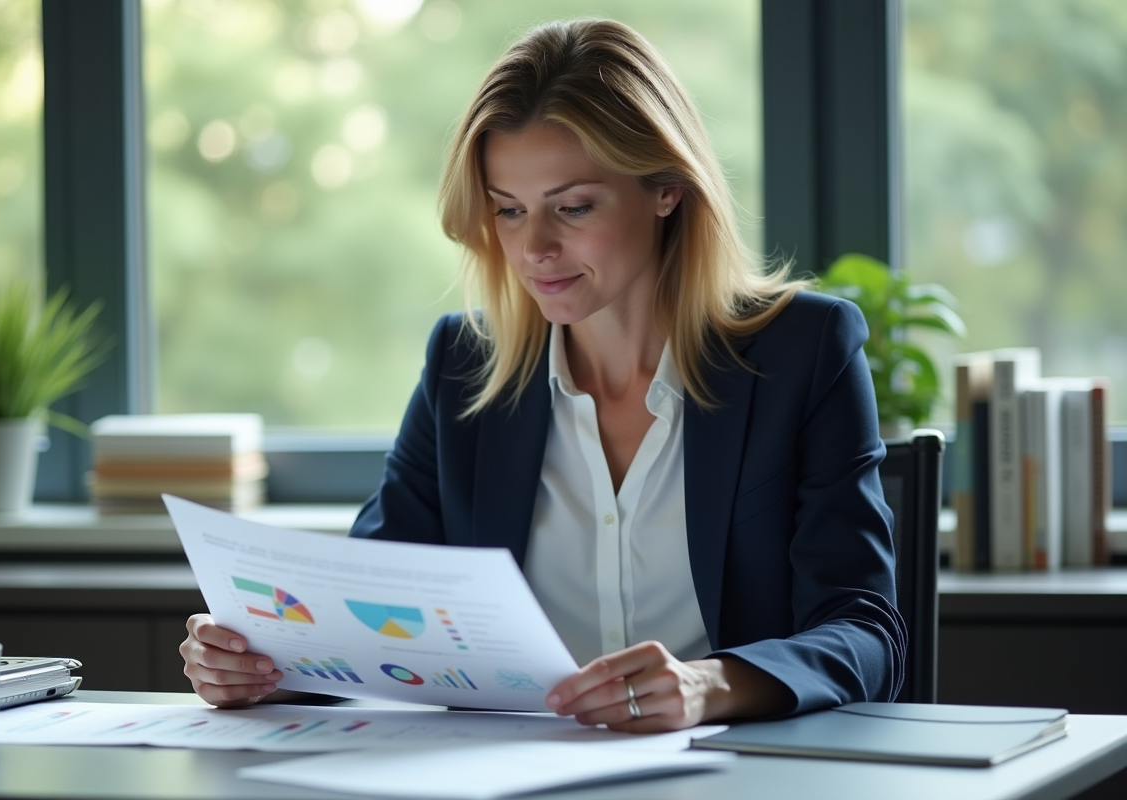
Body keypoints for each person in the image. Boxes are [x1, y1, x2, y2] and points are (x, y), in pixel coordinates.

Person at [180, 18, 906, 733]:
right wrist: (264, 665)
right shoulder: (464, 369)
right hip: (506, 773)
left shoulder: (801, 351)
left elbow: (865, 631)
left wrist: (704, 686)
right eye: (509, 211)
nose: (536, 249)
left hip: (738, 776)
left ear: (666, 189)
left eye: (574, 207)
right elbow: (368, 613)